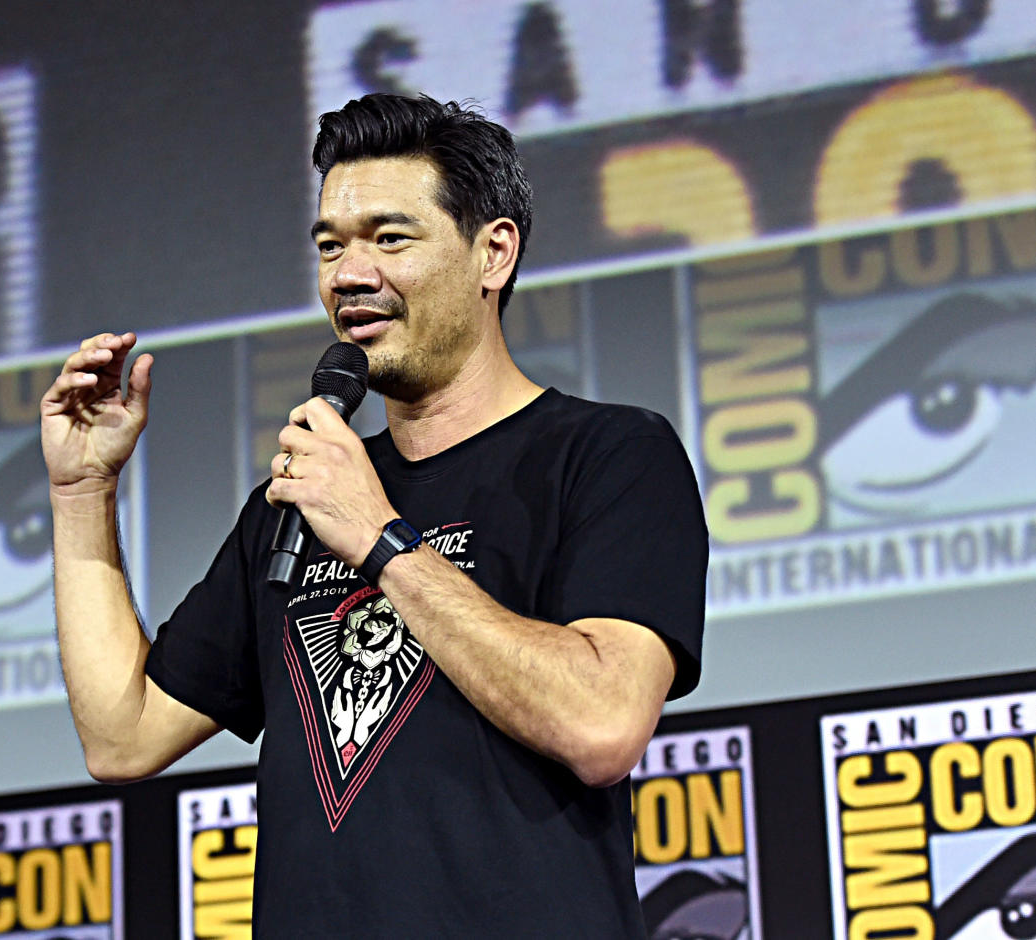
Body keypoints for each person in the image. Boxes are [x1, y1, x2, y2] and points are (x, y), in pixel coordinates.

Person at [40, 93, 708, 937]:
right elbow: (122, 734)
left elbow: (603, 723)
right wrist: (81, 494)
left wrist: (380, 539)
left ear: (491, 253)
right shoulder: (299, 502)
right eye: (330, 246)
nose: (348, 275)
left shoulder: (606, 454)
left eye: (390, 238)